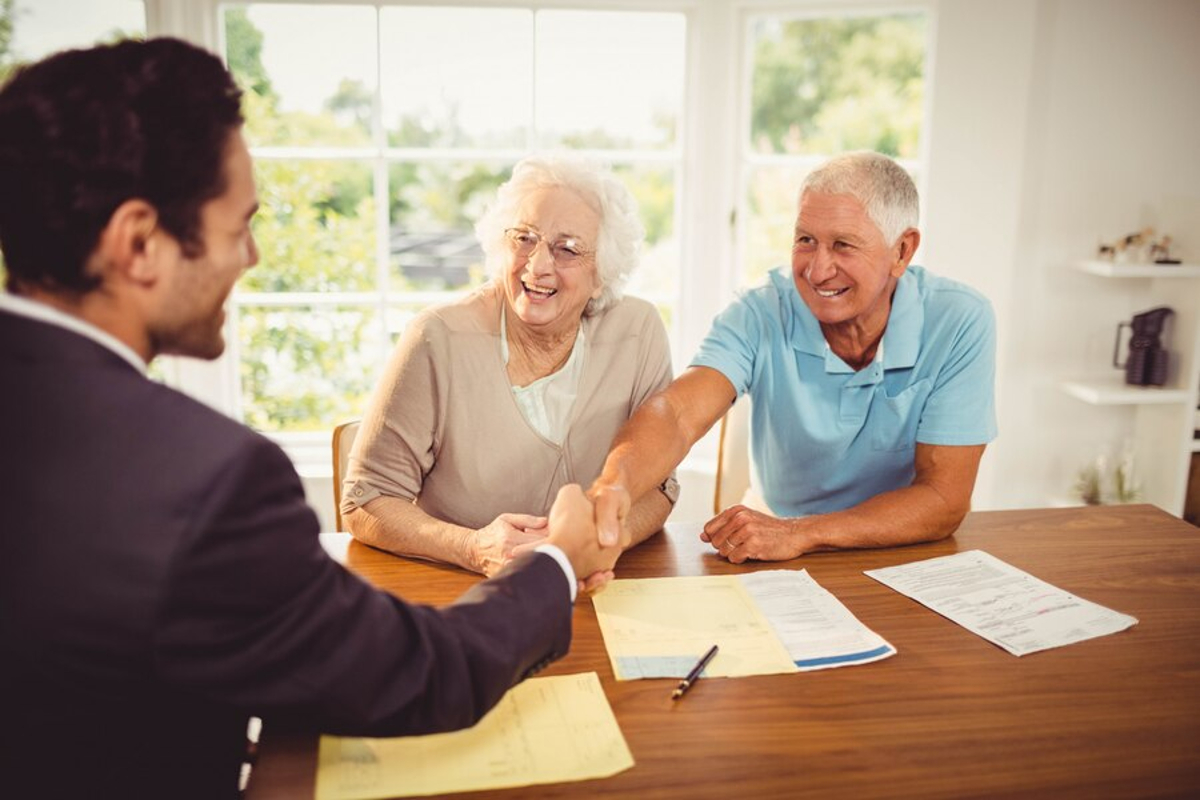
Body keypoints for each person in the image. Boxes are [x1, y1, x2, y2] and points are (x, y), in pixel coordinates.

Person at [0, 38, 620, 800]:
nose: (252, 257)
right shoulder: (207, 482)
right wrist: (555, 560)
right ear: (138, 243)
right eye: (238, 226)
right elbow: (424, 673)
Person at [586, 151, 997, 562]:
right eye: (805, 241)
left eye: (843, 245)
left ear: (902, 251)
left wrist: (803, 533)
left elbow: (944, 498)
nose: (818, 271)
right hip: (775, 544)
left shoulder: (959, 319)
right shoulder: (758, 312)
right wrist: (614, 485)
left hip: (897, 548)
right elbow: (676, 412)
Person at [342, 156, 676, 578]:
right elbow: (365, 499)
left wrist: (600, 542)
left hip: (595, 589)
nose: (537, 266)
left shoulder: (638, 331)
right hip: (462, 591)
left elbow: (661, 486)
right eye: (524, 238)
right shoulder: (438, 337)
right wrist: (472, 547)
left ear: (602, 276)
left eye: (567, 248)